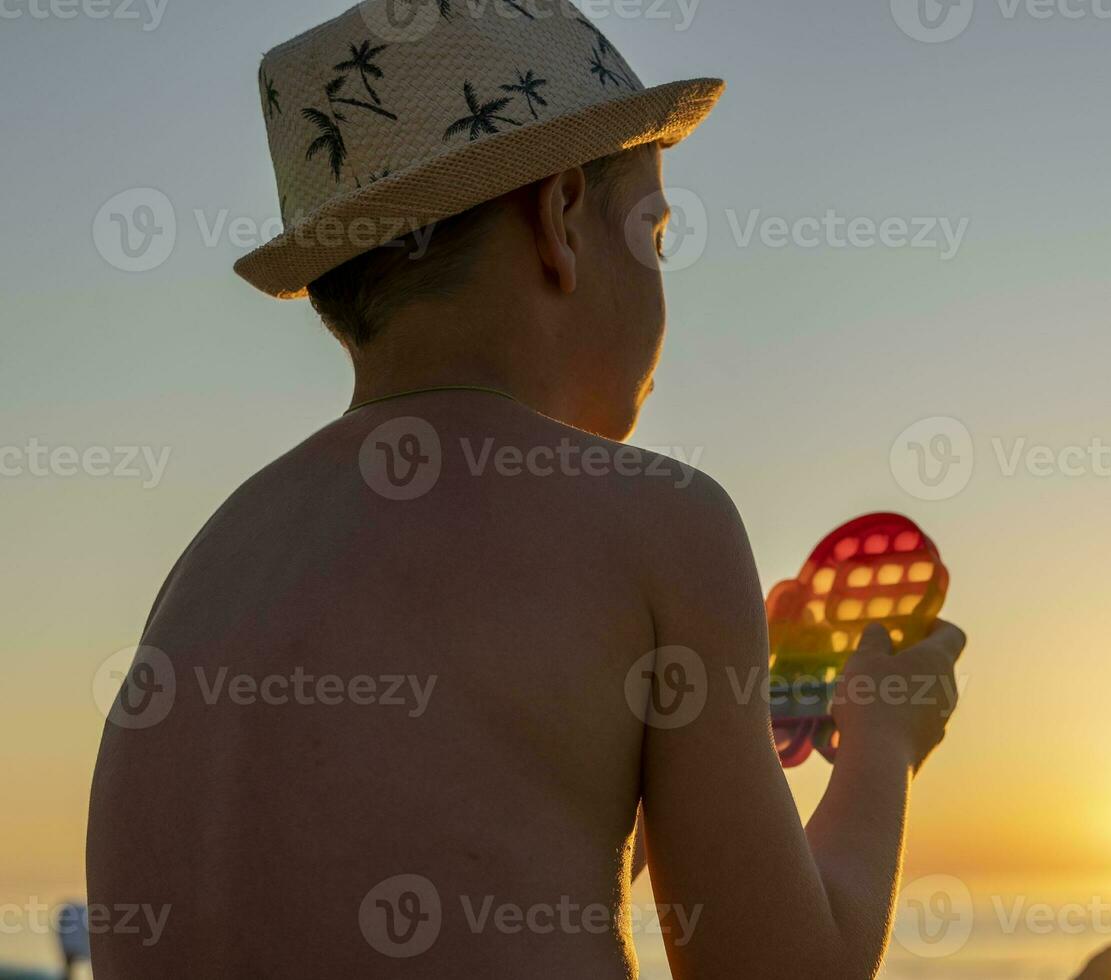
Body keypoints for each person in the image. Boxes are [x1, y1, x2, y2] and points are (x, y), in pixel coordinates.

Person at [85, 2, 991, 977]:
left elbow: (493, 842)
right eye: (655, 233)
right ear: (562, 217)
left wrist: (711, 747)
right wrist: (883, 735)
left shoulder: (210, 567)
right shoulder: (662, 524)